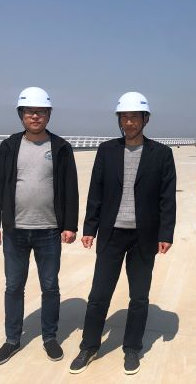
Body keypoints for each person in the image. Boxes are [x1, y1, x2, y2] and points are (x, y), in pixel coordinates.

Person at [69, 91, 176, 375]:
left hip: (144, 236)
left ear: (145, 119)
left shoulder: (161, 154)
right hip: (111, 234)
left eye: (134, 117)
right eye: (124, 117)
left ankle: (132, 348)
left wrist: (166, 233)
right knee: (98, 294)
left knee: (139, 297)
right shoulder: (107, 151)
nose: (129, 122)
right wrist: (90, 227)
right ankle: (89, 346)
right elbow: (96, 191)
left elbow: (167, 198)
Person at [0, 86, 79, 365]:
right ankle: (12, 340)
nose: (35, 116)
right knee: (14, 286)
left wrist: (70, 225)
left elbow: (70, 188)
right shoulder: (9, 146)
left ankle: (50, 337)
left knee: (50, 286)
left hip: (49, 230)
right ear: (21, 115)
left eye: (40, 111)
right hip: (14, 230)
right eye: (29, 111)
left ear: (49, 114)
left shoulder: (60, 147)